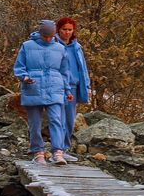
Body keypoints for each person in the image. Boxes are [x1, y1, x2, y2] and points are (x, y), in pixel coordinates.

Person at [12, 17, 93, 162]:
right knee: (35, 123)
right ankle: (38, 152)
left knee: (56, 120)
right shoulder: (27, 46)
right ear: (40, 33)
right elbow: (19, 66)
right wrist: (23, 77)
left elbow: (65, 72)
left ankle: (58, 152)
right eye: (45, 36)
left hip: (55, 88)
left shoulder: (60, 48)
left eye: (51, 36)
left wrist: (67, 91)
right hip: (33, 88)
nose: (48, 39)